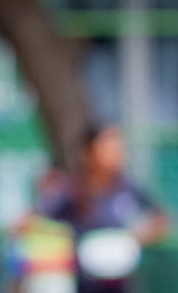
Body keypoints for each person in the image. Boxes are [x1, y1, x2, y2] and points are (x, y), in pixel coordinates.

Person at [43, 125, 167, 293]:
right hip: (82, 283)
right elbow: (41, 221)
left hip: (121, 284)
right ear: (88, 152)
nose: (116, 153)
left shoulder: (128, 188)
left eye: (119, 147)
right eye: (107, 148)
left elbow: (161, 219)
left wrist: (135, 238)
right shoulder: (71, 191)